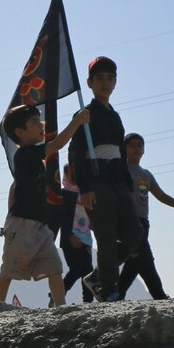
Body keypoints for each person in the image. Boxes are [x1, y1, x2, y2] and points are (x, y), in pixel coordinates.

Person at [0, 104, 90, 306]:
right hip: (22, 224)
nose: (41, 125)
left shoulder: (30, 159)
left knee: (54, 265)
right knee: (9, 269)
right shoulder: (26, 154)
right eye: (34, 122)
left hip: (40, 224)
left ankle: (60, 305)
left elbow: (14, 188)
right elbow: (56, 145)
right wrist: (77, 122)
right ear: (20, 132)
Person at [67, 56, 142, 302]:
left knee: (134, 234)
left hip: (118, 183)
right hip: (96, 184)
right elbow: (76, 153)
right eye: (99, 78)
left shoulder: (115, 117)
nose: (105, 83)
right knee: (106, 237)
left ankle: (98, 275)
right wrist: (85, 187)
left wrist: (128, 186)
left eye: (110, 78)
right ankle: (109, 290)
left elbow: (120, 154)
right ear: (89, 83)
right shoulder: (84, 114)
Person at [116, 133, 174, 300]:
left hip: (144, 222)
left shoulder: (146, 174)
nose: (136, 149)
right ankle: (159, 295)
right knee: (146, 259)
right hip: (129, 221)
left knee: (135, 262)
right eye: (132, 145)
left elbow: (161, 195)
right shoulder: (121, 170)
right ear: (124, 149)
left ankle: (117, 293)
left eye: (139, 145)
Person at [59, 162, 95, 303]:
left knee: (88, 271)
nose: (74, 176)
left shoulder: (85, 193)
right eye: (71, 173)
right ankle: (58, 293)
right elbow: (62, 217)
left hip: (86, 238)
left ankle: (88, 301)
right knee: (77, 268)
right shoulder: (64, 193)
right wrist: (70, 235)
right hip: (71, 238)